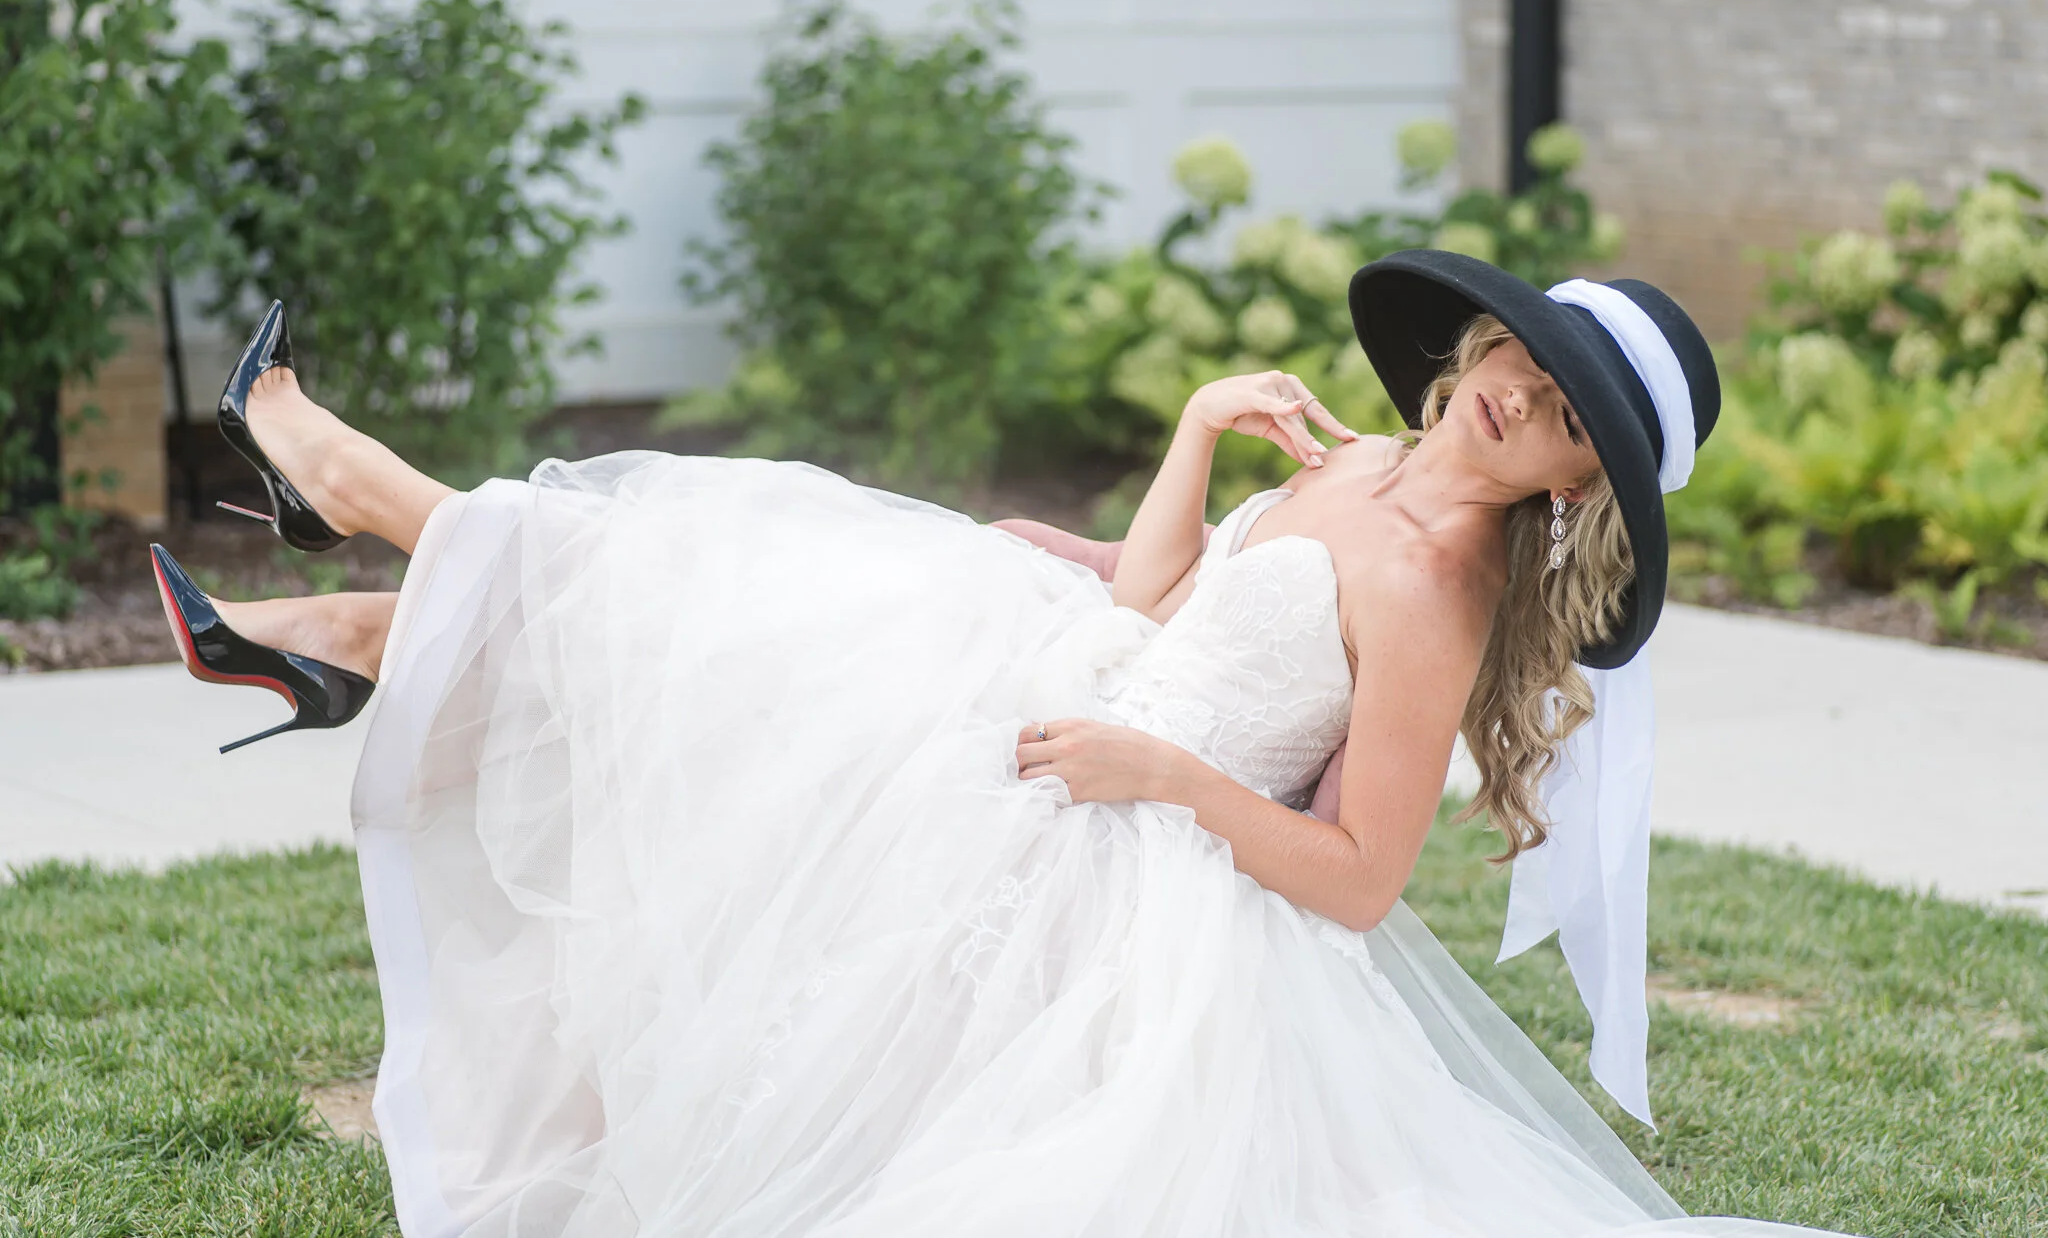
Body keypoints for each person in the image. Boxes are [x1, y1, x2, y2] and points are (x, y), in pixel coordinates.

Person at [152, 251, 1848, 1237]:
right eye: (1530, 361)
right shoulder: (1360, 464)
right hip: (1071, 676)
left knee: (708, 629)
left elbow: (1357, 880)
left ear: (1577, 483)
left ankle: (341, 568)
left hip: (1122, 819)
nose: (1520, 401)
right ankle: (343, 614)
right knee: (719, 609)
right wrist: (1194, 434)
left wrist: (1162, 776)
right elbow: (1169, 598)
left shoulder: (1440, 592)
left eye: (1565, 419)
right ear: (1486, 338)